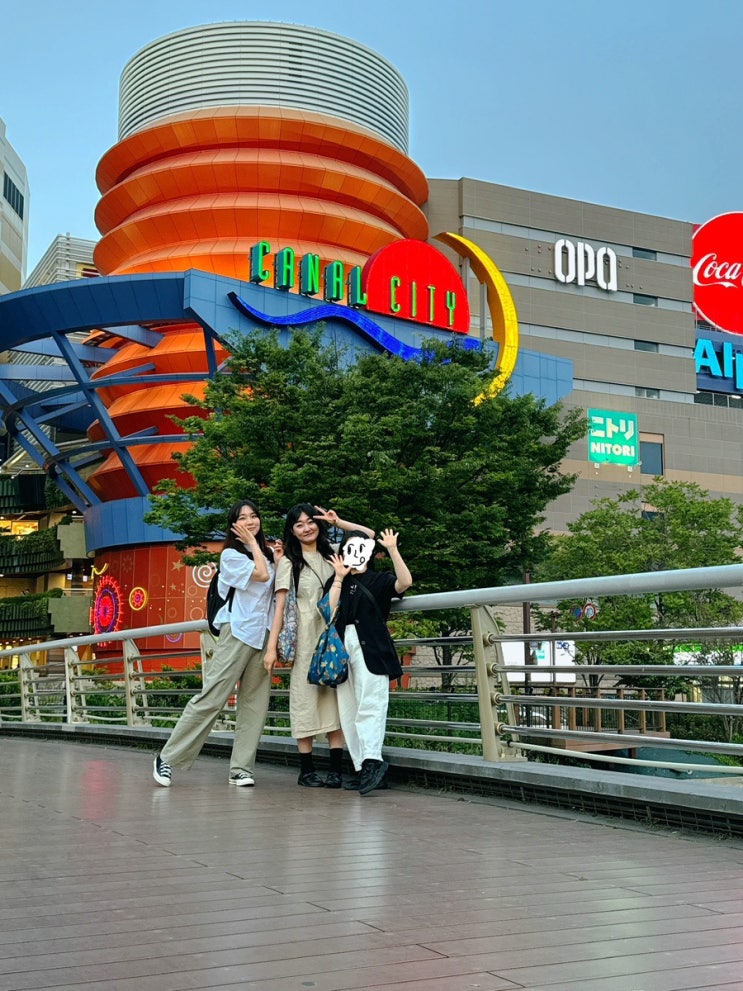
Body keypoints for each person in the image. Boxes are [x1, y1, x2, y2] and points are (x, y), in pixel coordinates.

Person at [152, 499, 279, 788]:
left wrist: (275, 555)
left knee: (255, 705)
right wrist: (255, 544)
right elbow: (260, 575)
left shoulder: (270, 554)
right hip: (237, 630)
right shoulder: (231, 557)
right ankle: (167, 757)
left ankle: (241, 769)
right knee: (212, 697)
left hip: (263, 634)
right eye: (242, 518)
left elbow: (277, 591)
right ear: (233, 525)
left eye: (254, 516)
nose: (250, 521)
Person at [264, 504, 374, 788]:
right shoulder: (289, 563)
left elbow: (368, 536)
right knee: (304, 699)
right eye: (299, 524)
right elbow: (280, 607)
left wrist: (339, 521)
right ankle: (307, 770)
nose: (306, 528)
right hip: (305, 639)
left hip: (335, 635)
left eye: (310, 522)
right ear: (292, 531)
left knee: (336, 700)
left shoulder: (334, 552)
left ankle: (336, 769)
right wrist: (271, 648)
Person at [327, 528, 413, 795]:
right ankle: (360, 767)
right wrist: (338, 578)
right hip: (342, 650)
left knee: (371, 705)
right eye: (349, 547)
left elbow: (405, 582)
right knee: (349, 711)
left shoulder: (379, 579)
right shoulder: (337, 581)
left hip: (371, 648)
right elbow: (327, 611)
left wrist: (393, 549)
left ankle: (372, 762)